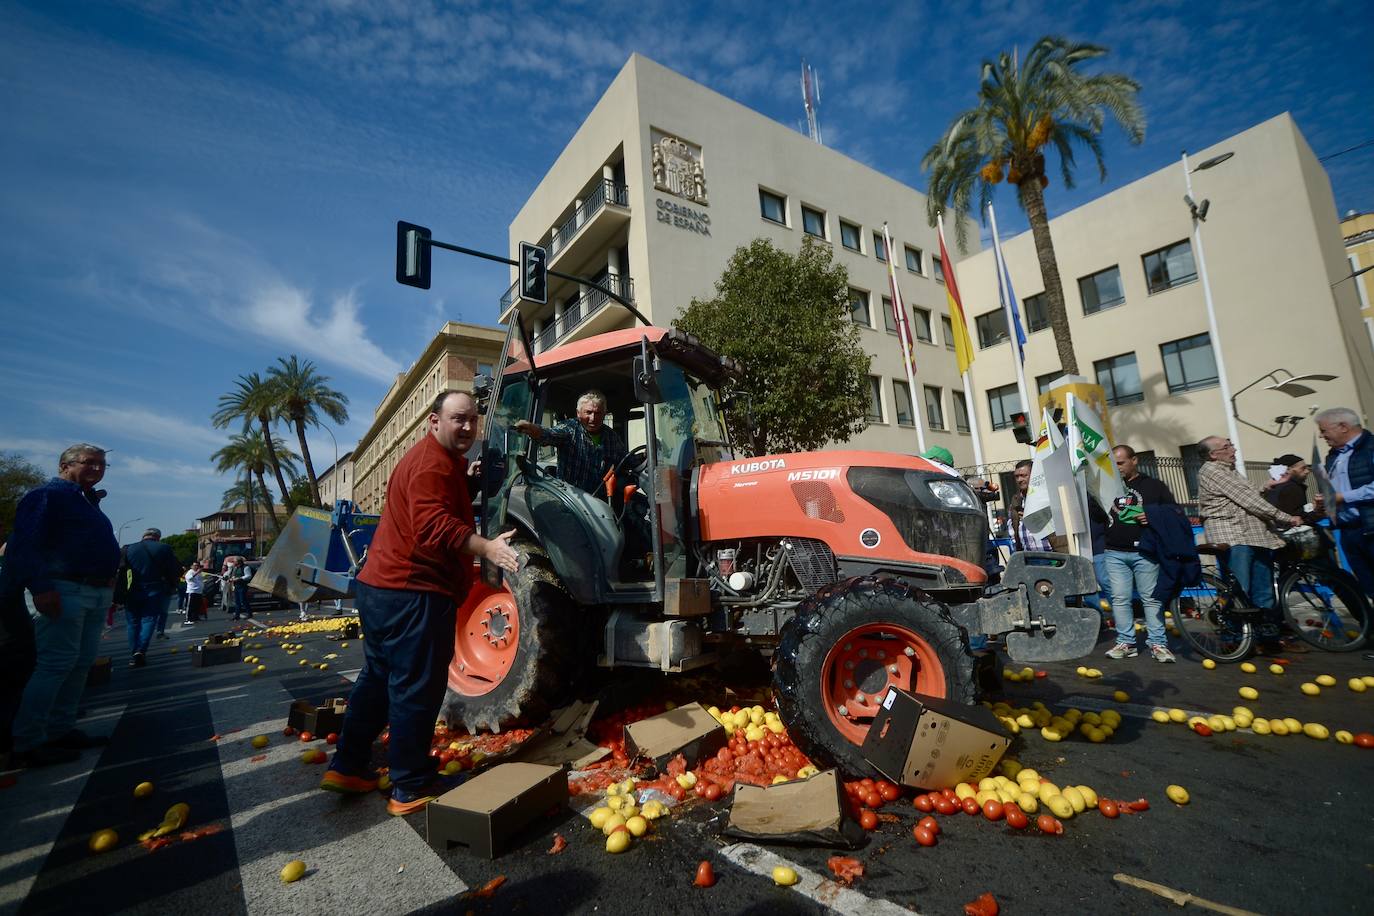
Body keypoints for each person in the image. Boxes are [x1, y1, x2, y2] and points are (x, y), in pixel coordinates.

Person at [322, 390, 519, 816]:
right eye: (457, 419)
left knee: (377, 679)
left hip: (381, 588)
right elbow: (434, 526)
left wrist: (467, 481)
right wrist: (485, 547)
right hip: (411, 591)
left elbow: (435, 504)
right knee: (418, 685)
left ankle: (349, 766)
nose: (466, 427)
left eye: (471, 420)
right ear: (434, 422)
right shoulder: (432, 464)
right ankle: (410, 785)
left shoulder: (438, 462)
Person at [6, 444, 121, 768]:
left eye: (102, 464)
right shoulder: (47, 495)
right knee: (56, 664)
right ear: (65, 465)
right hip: (64, 588)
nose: (97, 469)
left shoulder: (85, 501)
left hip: (93, 591)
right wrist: (41, 587)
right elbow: (25, 544)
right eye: (90, 463)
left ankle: (60, 729)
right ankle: (27, 741)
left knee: (80, 662)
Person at [1196, 436, 1304, 652]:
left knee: (1263, 587)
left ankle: (1267, 635)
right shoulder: (1212, 470)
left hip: (1255, 534)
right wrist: (1286, 517)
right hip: (1233, 535)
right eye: (1227, 446)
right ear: (1213, 454)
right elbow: (1249, 501)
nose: (1233, 449)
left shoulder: (1231, 470)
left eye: (1231, 444)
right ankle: (1234, 636)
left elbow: (1246, 495)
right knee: (1240, 589)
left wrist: (1265, 488)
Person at [1102, 445, 1180, 663]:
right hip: (1114, 552)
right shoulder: (1106, 487)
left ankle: (1158, 643)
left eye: (1120, 463)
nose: (1116, 469)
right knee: (1120, 598)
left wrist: (1152, 516)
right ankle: (1126, 642)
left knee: (1151, 599)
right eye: (1113, 465)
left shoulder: (1154, 486)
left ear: (1134, 460)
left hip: (1145, 551)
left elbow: (1175, 511)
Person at [513, 389, 627, 497]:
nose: (593, 418)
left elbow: (626, 460)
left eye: (598, 413)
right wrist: (534, 429)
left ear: (604, 413)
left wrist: (643, 456)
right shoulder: (570, 428)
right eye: (588, 412)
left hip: (600, 501)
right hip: (572, 501)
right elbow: (550, 434)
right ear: (578, 413)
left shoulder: (611, 437)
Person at [1314, 408, 1374, 597]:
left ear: (1343, 427)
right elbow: (1334, 491)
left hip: (1371, 527)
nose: (1321, 435)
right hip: (1349, 531)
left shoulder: (1370, 448)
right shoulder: (1333, 456)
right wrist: (1325, 502)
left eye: (1324, 430)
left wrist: (1342, 497)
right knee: (1368, 585)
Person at [114, 528, 181, 667]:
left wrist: (118, 595)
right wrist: (171, 585)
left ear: (143, 536)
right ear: (158, 537)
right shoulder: (164, 548)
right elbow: (174, 569)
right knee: (149, 620)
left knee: (132, 623)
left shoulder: (129, 549)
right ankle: (141, 650)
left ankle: (134, 652)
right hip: (155, 589)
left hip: (133, 590)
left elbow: (120, 571)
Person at [1263, 453, 1313, 519]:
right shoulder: (1291, 488)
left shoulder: (1277, 486)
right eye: (1303, 468)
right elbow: (1295, 513)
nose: (1307, 471)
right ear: (1288, 470)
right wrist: (1314, 507)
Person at [1008, 459, 1034, 550]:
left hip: (1052, 555)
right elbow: (1012, 527)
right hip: (1028, 556)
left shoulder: (1046, 497)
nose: (1019, 480)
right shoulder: (1016, 501)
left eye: (1023, 475)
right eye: (1017, 476)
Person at [230, 556, 251, 620]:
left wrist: (239, 578)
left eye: (234, 561)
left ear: (238, 562)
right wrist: (231, 579)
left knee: (243, 600)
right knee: (237, 601)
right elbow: (233, 576)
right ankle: (237, 616)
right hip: (236, 586)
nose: (233, 562)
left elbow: (248, 576)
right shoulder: (235, 568)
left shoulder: (246, 567)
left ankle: (249, 613)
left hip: (243, 586)